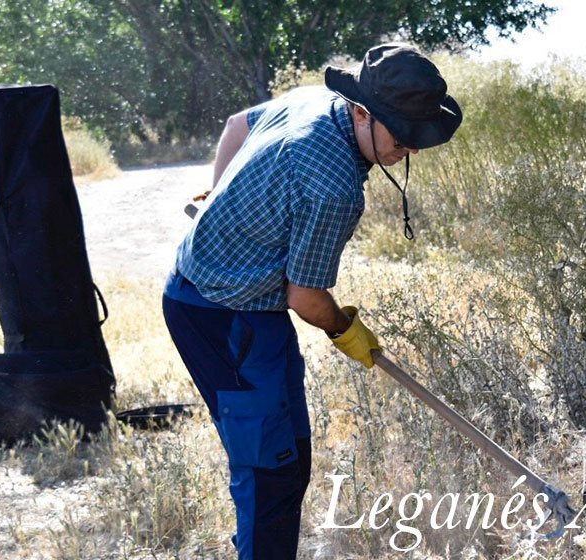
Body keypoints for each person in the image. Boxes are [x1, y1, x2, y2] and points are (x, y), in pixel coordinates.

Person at [161, 43, 461, 559]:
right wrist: (345, 328)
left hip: (227, 303)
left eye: (420, 138)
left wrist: (219, 197)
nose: (410, 149)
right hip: (224, 315)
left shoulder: (310, 101)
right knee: (269, 470)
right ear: (362, 112)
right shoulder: (335, 188)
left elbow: (236, 125)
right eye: (404, 134)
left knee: (291, 455)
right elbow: (306, 298)